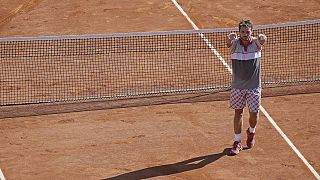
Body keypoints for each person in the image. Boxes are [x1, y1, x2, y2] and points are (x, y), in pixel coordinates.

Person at [226, 20, 267, 155]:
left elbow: (263, 40)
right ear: (239, 32)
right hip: (238, 86)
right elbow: (228, 44)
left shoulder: (256, 43)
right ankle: (237, 142)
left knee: (254, 115)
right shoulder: (234, 44)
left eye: (247, 32)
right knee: (238, 112)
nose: (245, 34)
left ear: (251, 32)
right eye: (242, 32)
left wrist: (262, 37)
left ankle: (251, 132)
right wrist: (228, 39)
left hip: (254, 86)